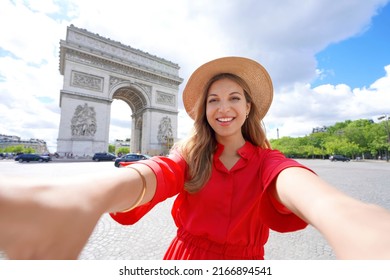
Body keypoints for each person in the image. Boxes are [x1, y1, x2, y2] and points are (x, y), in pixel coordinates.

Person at [0, 57, 390, 260]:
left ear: (250, 106)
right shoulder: (189, 155)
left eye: (234, 97)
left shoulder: (270, 161)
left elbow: (297, 184)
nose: (223, 108)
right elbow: (156, 174)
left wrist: (349, 219)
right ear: (203, 109)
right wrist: (87, 196)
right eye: (213, 100)